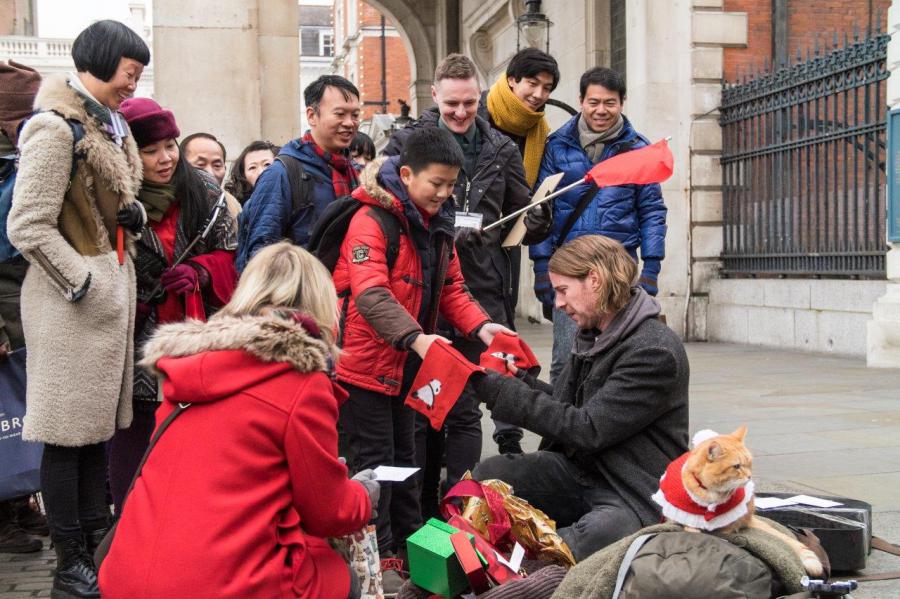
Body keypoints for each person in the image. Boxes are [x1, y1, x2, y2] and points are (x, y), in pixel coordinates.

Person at [98, 242, 377, 599]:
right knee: (339, 579)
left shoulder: (188, 368)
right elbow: (329, 512)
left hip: (129, 574)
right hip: (221, 583)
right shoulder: (301, 381)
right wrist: (365, 497)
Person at [7, 20, 150, 598]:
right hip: (71, 308)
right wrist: (83, 281)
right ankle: (71, 563)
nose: (133, 86)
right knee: (68, 439)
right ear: (99, 61)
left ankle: (95, 545)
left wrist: (131, 222)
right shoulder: (54, 128)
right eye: (128, 73)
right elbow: (27, 224)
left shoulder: (106, 126)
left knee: (92, 436)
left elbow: (102, 205)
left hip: (100, 303)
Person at [335, 127, 511, 591]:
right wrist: (417, 339)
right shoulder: (370, 221)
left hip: (410, 367)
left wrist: (481, 326)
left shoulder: (437, 222)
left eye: (452, 185)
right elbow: (371, 295)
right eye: (437, 184)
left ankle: (412, 547)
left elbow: (453, 287)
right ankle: (380, 560)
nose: (444, 194)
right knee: (374, 465)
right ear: (407, 174)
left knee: (407, 463)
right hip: (365, 368)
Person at [382, 54, 548, 516]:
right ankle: (415, 512)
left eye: (470, 103)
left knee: (465, 408)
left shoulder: (501, 147)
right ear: (434, 96)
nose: (460, 112)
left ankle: (460, 510)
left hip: (483, 289)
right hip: (426, 293)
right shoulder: (408, 143)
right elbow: (391, 206)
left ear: (483, 97)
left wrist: (538, 217)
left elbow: (522, 213)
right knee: (421, 406)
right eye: (452, 103)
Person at [472, 235, 689, 561]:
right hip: (582, 471)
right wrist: (517, 379)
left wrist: (502, 391)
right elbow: (568, 408)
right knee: (491, 475)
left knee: (584, 541)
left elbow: (587, 428)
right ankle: (495, 559)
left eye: (563, 291)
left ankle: (523, 571)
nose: (558, 303)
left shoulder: (653, 350)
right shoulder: (595, 333)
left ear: (595, 281)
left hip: (631, 488)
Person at [107, 97, 239, 512]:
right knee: (136, 440)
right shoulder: (111, 197)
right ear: (129, 152)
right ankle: (130, 525)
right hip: (135, 343)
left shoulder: (203, 191)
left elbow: (232, 254)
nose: (165, 158)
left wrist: (200, 271)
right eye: (150, 151)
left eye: (170, 145)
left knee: (195, 438)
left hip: (194, 339)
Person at [530, 67, 667, 383]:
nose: (601, 110)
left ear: (622, 102)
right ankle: (563, 430)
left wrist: (651, 270)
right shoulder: (555, 147)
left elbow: (652, 213)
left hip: (617, 274)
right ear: (580, 100)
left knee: (617, 361)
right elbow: (541, 211)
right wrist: (541, 269)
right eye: (593, 102)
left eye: (610, 102)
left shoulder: (638, 150)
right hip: (570, 274)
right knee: (566, 362)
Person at [478, 47, 559, 455]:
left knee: (502, 337)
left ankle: (508, 432)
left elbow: (522, 204)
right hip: (464, 247)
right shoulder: (476, 116)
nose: (539, 94)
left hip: (504, 250)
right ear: (511, 80)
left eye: (546, 88)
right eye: (532, 83)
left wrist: (537, 216)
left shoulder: (537, 131)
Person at [236, 75, 362, 271]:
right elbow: (261, 253)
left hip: (347, 295)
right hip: (301, 294)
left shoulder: (356, 173)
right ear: (312, 115)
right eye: (340, 114)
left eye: (355, 115)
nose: (349, 123)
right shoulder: (281, 174)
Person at [0, 59, 49, 555]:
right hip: (4, 304)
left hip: (24, 299)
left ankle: (18, 502)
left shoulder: (19, 160)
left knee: (18, 405)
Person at [224, 140, 279, 205]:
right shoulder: (235, 207)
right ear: (243, 175)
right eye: (252, 167)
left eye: (267, 164)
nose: (261, 172)